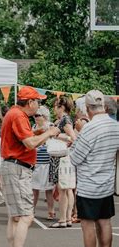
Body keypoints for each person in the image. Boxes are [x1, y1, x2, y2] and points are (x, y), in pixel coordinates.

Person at [1, 86, 60, 247]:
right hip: (17, 168)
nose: (39, 105)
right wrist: (48, 133)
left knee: (15, 217)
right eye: (38, 101)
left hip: (13, 167)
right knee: (25, 216)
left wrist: (40, 132)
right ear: (31, 102)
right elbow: (29, 144)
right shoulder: (18, 115)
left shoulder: (15, 113)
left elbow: (26, 139)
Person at [69, 90, 119, 247]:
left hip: (89, 185)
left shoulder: (88, 129)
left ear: (88, 108)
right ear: (104, 106)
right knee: (105, 222)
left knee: (88, 225)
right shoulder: (115, 126)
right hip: (106, 183)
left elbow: (75, 158)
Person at [49, 96, 77, 228]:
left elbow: (73, 137)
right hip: (63, 158)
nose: (54, 109)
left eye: (55, 106)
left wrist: (56, 135)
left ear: (61, 107)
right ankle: (67, 218)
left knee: (63, 189)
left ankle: (63, 219)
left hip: (62, 158)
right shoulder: (63, 120)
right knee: (66, 189)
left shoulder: (65, 120)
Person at [31, 106, 55, 219]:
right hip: (35, 161)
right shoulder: (34, 127)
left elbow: (54, 139)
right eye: (35, 115)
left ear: (44, 116)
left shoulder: (50, 126)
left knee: (48, 189)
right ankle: (32, 210)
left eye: (37, 115)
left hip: (47, 161)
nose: (35, 118)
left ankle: (51, 211)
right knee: (34, 188)